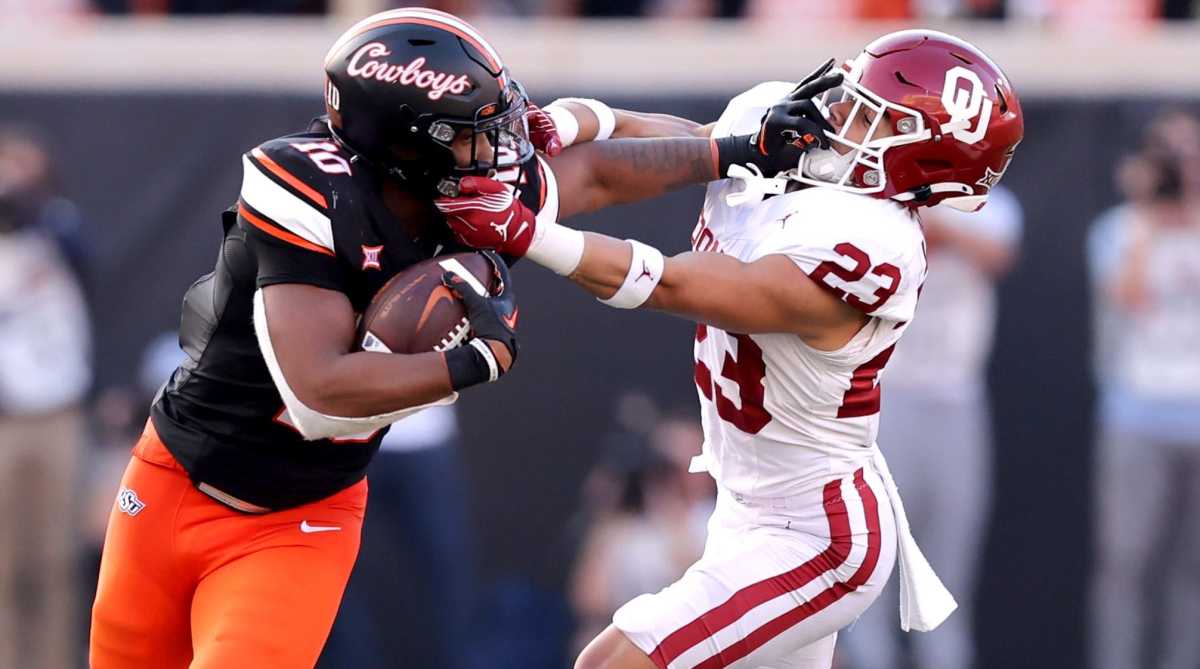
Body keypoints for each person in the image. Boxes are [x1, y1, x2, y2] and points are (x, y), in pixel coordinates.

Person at [87, 7, 817, 667]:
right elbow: (317, 390)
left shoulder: (472, 186)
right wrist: (475, 360)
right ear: (403, 143)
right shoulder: (301, 183)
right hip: (172, 481)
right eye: (473, 133)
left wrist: (734, 149)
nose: (499, 148)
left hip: (297, 517)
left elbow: (597, 172)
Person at [435, 29, 1024, 669]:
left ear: (924, 164)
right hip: (745, 507)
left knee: (609, 662)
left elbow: (677, 282)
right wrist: (574, 119)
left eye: (872, 118)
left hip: (817, 535)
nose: (841, 116)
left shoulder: (873, 246)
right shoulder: (792, 129)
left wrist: (531, 234)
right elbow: (683, 143)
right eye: (853, 95)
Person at [839, 184, 1022, 669]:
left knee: (946, 569)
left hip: (957, 399)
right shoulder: (873, 201)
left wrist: (935, 217)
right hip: (883, 397)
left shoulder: (989, 204)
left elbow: (998, 253)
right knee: (872, 558)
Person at [1087, 109, 1200, 669]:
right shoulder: (1119, 230)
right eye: (1170, 156)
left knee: (1192, 573)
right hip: (1137, 417)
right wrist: (1148, 214)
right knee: (1125, 566)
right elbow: (1128, 296)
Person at [0, 128, 92, 669]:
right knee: (4, 566)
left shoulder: (59, 227)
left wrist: (28, 202)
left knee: (55, 561)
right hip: (4, 417)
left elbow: (82, 252)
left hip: (57, 415)